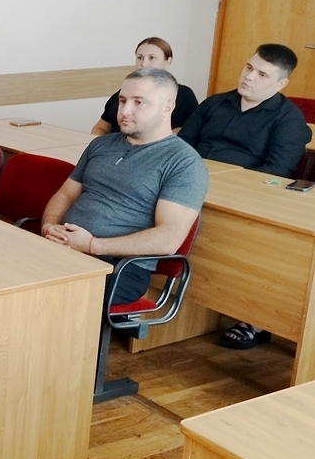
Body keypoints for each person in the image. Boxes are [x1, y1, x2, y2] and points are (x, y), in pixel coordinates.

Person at [177, 42, 312, 349]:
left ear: (280, 84)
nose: (249, 77)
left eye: (262, 74)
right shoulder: (215, 103)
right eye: (249, 68)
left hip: (246, 197)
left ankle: (255, 318)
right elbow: (182, 146)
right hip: (193, 183)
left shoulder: (289, 121)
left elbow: (274, 173)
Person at [42, 68, 208, 310]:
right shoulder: (100, 145)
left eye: (138, 102)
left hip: (121, 267)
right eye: (122, 101)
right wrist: (49, 226)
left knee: (45, 298)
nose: (125, 110)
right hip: (66, 248)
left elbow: (168, 239)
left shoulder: (184, 163)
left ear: (167, 107)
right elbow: (65, 194)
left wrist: (92, 245)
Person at [90, 37, 199, 136]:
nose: (144, 63)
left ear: (168, 61)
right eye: (140, 57)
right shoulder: (125, 92)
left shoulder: (183, 95)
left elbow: (180, 134)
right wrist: (102, 145)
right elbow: (100, 128)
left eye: (151, 58)